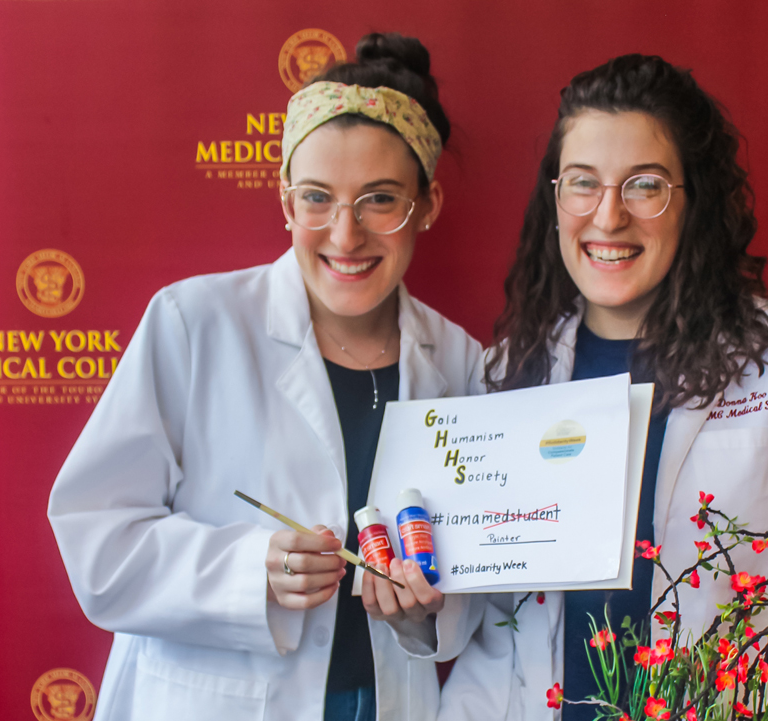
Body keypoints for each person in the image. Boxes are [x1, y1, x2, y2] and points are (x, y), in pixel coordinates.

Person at [437, 54, 768, 721]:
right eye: (583, 183)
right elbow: (493, 625)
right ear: (555, 198)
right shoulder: (507, 373)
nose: (607, 217)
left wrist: (742, 688)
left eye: (644, 185)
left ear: (691, 198)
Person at [47, 33, 482, 721]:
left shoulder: (460, 362)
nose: (344, 235)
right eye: (317, 198)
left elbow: (467, 596)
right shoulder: (194, 324)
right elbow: (97, 540)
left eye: (379, 199)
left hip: (387, 702)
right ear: (284, 199)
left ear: (426, 205)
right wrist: (253, 571)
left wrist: (423, 613)